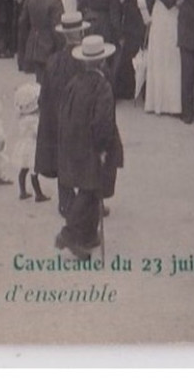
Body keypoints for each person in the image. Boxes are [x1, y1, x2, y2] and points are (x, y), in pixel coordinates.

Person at [56, 35, 124, 260]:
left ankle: (87, 234)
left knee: (89, 188)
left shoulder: (74, 82)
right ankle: (71, 233)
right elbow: (103, 122)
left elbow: (63, 111)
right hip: (92, 145)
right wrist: (103, 148)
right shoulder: (102, 85)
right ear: (102, 61)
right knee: (91, 188)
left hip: (73, 141)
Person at [35, 11, 88, 218]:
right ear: (81, 34)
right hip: (79, 117)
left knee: (62, 158)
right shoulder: (85, 61)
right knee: (85, 161)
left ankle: (65, 202)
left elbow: (45, 93)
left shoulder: (54, 60)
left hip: (57, 117)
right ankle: (88, 204)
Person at [136, 0, 186, 116]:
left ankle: (159, 102)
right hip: (169, 14)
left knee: (164, 55)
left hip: (161, 14)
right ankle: (172, 103)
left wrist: (147, 17)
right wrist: (147, 17)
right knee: (172, 55)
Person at [12, 82, 49, 202]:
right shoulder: (33, 120)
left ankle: (22, 191)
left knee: (24, 169)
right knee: (34, 171)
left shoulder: (22, 118)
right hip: (32, 147)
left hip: (23, 145)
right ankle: (38, 194)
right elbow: (38, 133)